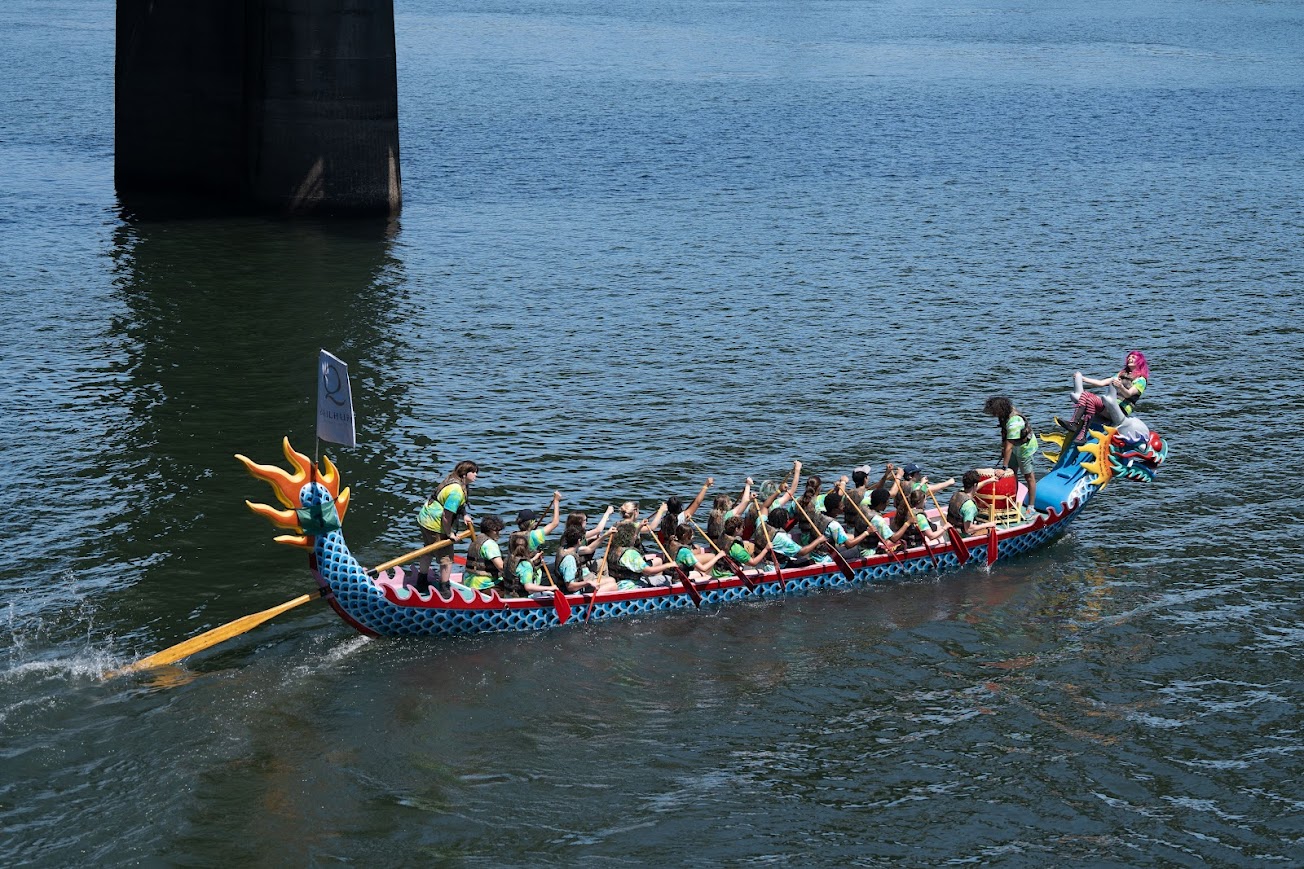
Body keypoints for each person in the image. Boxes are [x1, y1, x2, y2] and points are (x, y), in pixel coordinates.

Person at [415, 460, 478, 594]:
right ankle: (444, 590)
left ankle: (421, 582)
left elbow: (452, 504)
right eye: (473, 472)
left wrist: (464, 514)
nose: (476, 475)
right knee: (446, 559)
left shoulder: (453, 480)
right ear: (465, 474)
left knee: (428, 550)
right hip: (435, 524)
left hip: (425, 518)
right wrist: (449, 534)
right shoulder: (457, 492)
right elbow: (446, 516)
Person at [1063, 350, 1151, 435]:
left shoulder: (1141, 380)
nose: (1130, 358)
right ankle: (1076, 425)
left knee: (1089, 398)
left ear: (1140, 361)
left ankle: (1075, 423)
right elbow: (1101, 383)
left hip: (1120, 409)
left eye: (1133, 357)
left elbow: (1128, 394)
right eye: (1129, 357)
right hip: (1108, 405)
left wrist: (1120, 386)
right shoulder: (1121, 374)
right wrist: (1083, 379)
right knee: (1085, 396)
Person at [982, 396, 1038, 512]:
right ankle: (1013, 502)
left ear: (1000, 409)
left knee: (1028, 476)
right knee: (1012, 474)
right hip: (1013, 446)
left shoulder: (1014, 422)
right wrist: (1003, 451)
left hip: (1024, 448)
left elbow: (1009, 446)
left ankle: (1031, 507)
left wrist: (1004, 467)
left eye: (994, 411)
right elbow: (1005, 440)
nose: (994, 414)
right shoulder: (1004, 415)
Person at [606, 517, 681, 590]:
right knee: (668, 579)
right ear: (629, 537)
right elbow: (649, 571)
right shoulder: (630, 553)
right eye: (634, 535)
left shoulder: (613, 549)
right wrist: (668, 565)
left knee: (658, 578)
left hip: (619, 583)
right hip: (632, 587)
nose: (635, 536)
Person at [460, 514, 507, 593]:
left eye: (499, 531)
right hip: (484, 585)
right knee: (514, 587)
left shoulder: (477, 539)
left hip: (468, 582)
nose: (498, 533)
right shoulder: (490, 544)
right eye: (496, 531)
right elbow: (501, 567)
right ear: (488, 530)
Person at [946, 470, 999, 537]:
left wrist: (989, 480)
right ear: (975, 485)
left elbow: (974, 487)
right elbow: (968, 529)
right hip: (961, 536)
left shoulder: (958, 493)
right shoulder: (970, 506)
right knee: (992, 530)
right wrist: (989, 524)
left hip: (951, 532)